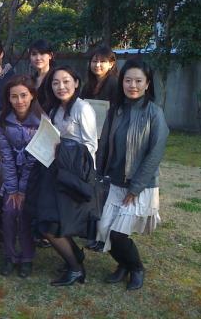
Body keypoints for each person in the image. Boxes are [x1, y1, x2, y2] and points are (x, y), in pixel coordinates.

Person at [96, 59, 169, 290]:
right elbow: (104, 145)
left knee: (118, 234)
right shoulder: (116, 110)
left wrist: (135, 188)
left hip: (140, 186)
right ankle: (123, 264)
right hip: (116, 182)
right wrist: (98, 174)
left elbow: (154, 155)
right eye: (128, 80)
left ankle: (136, 268)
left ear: (147, 84)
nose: (132, 85)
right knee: (104, 229)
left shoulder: (154, 114)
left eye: (138, 80)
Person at [27, 65, 98, 286]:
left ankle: (76, 269)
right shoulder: (56, 109)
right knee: (45, 220)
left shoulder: (82, 108)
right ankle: (74, 257)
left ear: (76, 83)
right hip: (53, 172)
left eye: (66, 81)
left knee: (51, 224)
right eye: (56, 82)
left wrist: (63, 148)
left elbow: (90, 146)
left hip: (72, 176)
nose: (61, 86)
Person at [0, 75, 43, 278]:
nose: (19, 101)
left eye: (24, 95)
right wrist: (13, 189)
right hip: (11, 173)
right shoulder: (1, 119)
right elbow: (5, 154)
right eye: (14, 96)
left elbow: (33, 158)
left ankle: (27, 257)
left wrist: (22, 190)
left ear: (32, 95)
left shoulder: (41, 120)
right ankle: (9, 256)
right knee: (8, 212)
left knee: (24, 214)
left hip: (33, 177)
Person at [80, 45, 118, 250]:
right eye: (94, 60)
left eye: (102, 61)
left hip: (106, 140)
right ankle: (92, 231)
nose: (97, 64)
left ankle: (102, 234)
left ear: (111, 63)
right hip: (91, 138)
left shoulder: (113, 84)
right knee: (92, 183)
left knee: (103, 187)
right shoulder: (88, 85)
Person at [29, 39, 55, 111]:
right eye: (34, 54)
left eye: (42, 53)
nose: (38, 58)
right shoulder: (30, 80)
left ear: (50, 56)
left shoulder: (56, 77)